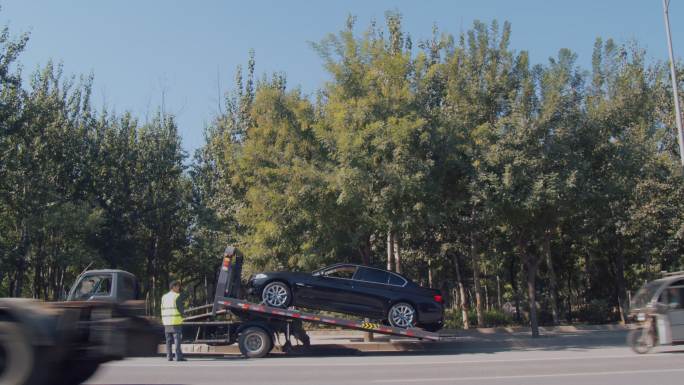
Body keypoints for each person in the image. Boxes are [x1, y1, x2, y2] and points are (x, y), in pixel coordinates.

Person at [162, 280, 186, 361]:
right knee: (177, 339)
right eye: (178, 286)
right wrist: (183, 316)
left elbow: (162, 309)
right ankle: (178, 356)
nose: (179, 288)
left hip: (166, 321)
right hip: (175, 321)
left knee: (168, 340)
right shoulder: (177, 296)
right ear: (173, 287)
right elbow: (180, 309)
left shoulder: (164, 297)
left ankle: (169, 356)